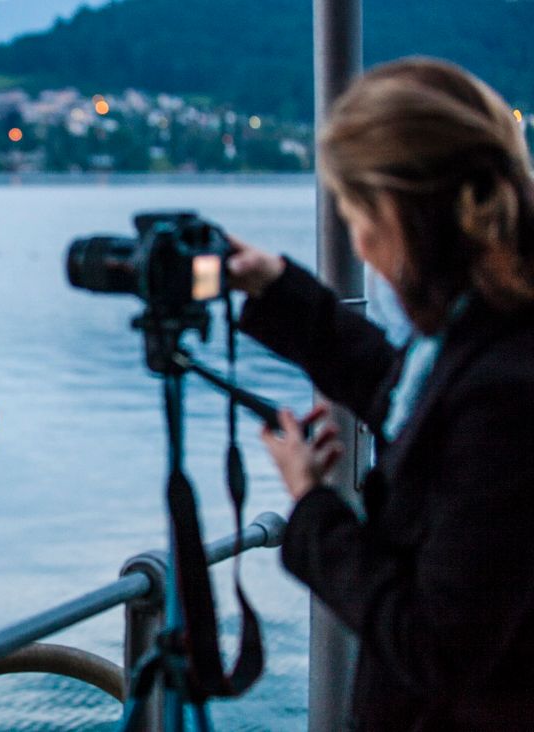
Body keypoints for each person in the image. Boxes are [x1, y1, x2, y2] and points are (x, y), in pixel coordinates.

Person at [227, 58, 534, 730]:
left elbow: (435, 647)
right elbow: (412, 396)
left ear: (401, 214)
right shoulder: (491, 328)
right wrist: (276, 286)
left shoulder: (506, 395)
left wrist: (313, 508)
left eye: (357, 214)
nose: (360, 241)